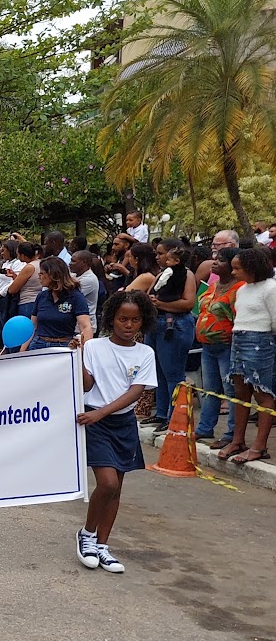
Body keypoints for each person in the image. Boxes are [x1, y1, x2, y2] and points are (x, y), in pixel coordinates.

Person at [76, 291, 158, 574]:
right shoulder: (94, 347)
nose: (129, 325)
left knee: (117, 489)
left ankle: (102, 545)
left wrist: (102, 412)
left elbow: (136, 392)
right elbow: (87, 385)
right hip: (95, 422)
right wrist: (77, 358)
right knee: (108, 483)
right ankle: (87, 535)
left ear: (143, 321)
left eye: (135, 320)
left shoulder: (145, 353)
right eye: (123, 319)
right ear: (111, 318)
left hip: (122, 423)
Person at [220, 248, 276, 464]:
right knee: (240, 391)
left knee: (262, 393)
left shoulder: (270, 288)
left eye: (238, 268)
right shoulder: (243, 289)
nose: (233, 272)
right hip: (239, 338)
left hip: (260, 341)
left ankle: (259, 446)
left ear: (252, 268)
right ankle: (238, 440)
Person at [145, 239, 197, 433]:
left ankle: (174, 415)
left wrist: (159, 304)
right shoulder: (162, 273)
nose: (157, 256)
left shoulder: (186, 274)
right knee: (158, 372)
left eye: (161, 253)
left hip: (175, 325)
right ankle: (161, 412)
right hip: (155, 324)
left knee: (172, 373)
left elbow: (188, 303)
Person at [194, 248, 243, 446]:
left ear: (232, 265)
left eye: (220, 260)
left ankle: (231, 434)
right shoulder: (213, 285)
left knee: (231, 392)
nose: (214, 262)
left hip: (227, 346)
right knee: (210, 390)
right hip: (207, 346)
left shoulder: (239, 288)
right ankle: (205, 428)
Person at [28, 257, 93, 351]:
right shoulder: (42, 296)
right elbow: (32, 326)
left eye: (41, 274)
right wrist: (22, 352)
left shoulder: (75, 297)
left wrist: (85, 350)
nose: (39, 277)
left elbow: (85, 326)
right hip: (38, 344)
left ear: (53, 275)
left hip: (63, 346)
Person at [69, 251, 103, 333]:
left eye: (73, 261)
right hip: (75, 324)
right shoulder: (74, 275)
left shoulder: (89, 279)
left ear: (84, 262)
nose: (70, 263)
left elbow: (68, 295)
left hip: (85, 326)